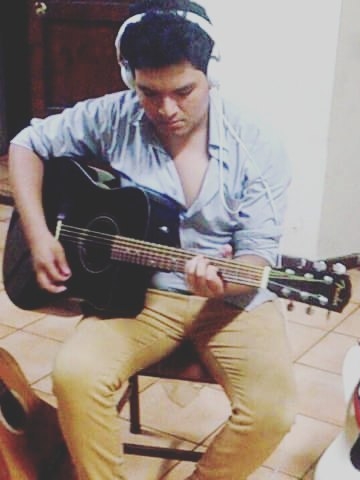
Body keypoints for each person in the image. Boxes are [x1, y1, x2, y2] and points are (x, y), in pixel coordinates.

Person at [8, 1, 297, 478]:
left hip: (230, 302)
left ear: (211, 74)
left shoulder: (257, 142)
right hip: (140, 293)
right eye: (149, 93)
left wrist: (224, 282)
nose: (167, 110)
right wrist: (39, 234)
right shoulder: (114, 116)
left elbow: (257, 255)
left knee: (273, 411)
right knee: (76, 373)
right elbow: (26, 144)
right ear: (130, 78)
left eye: (184, 91)